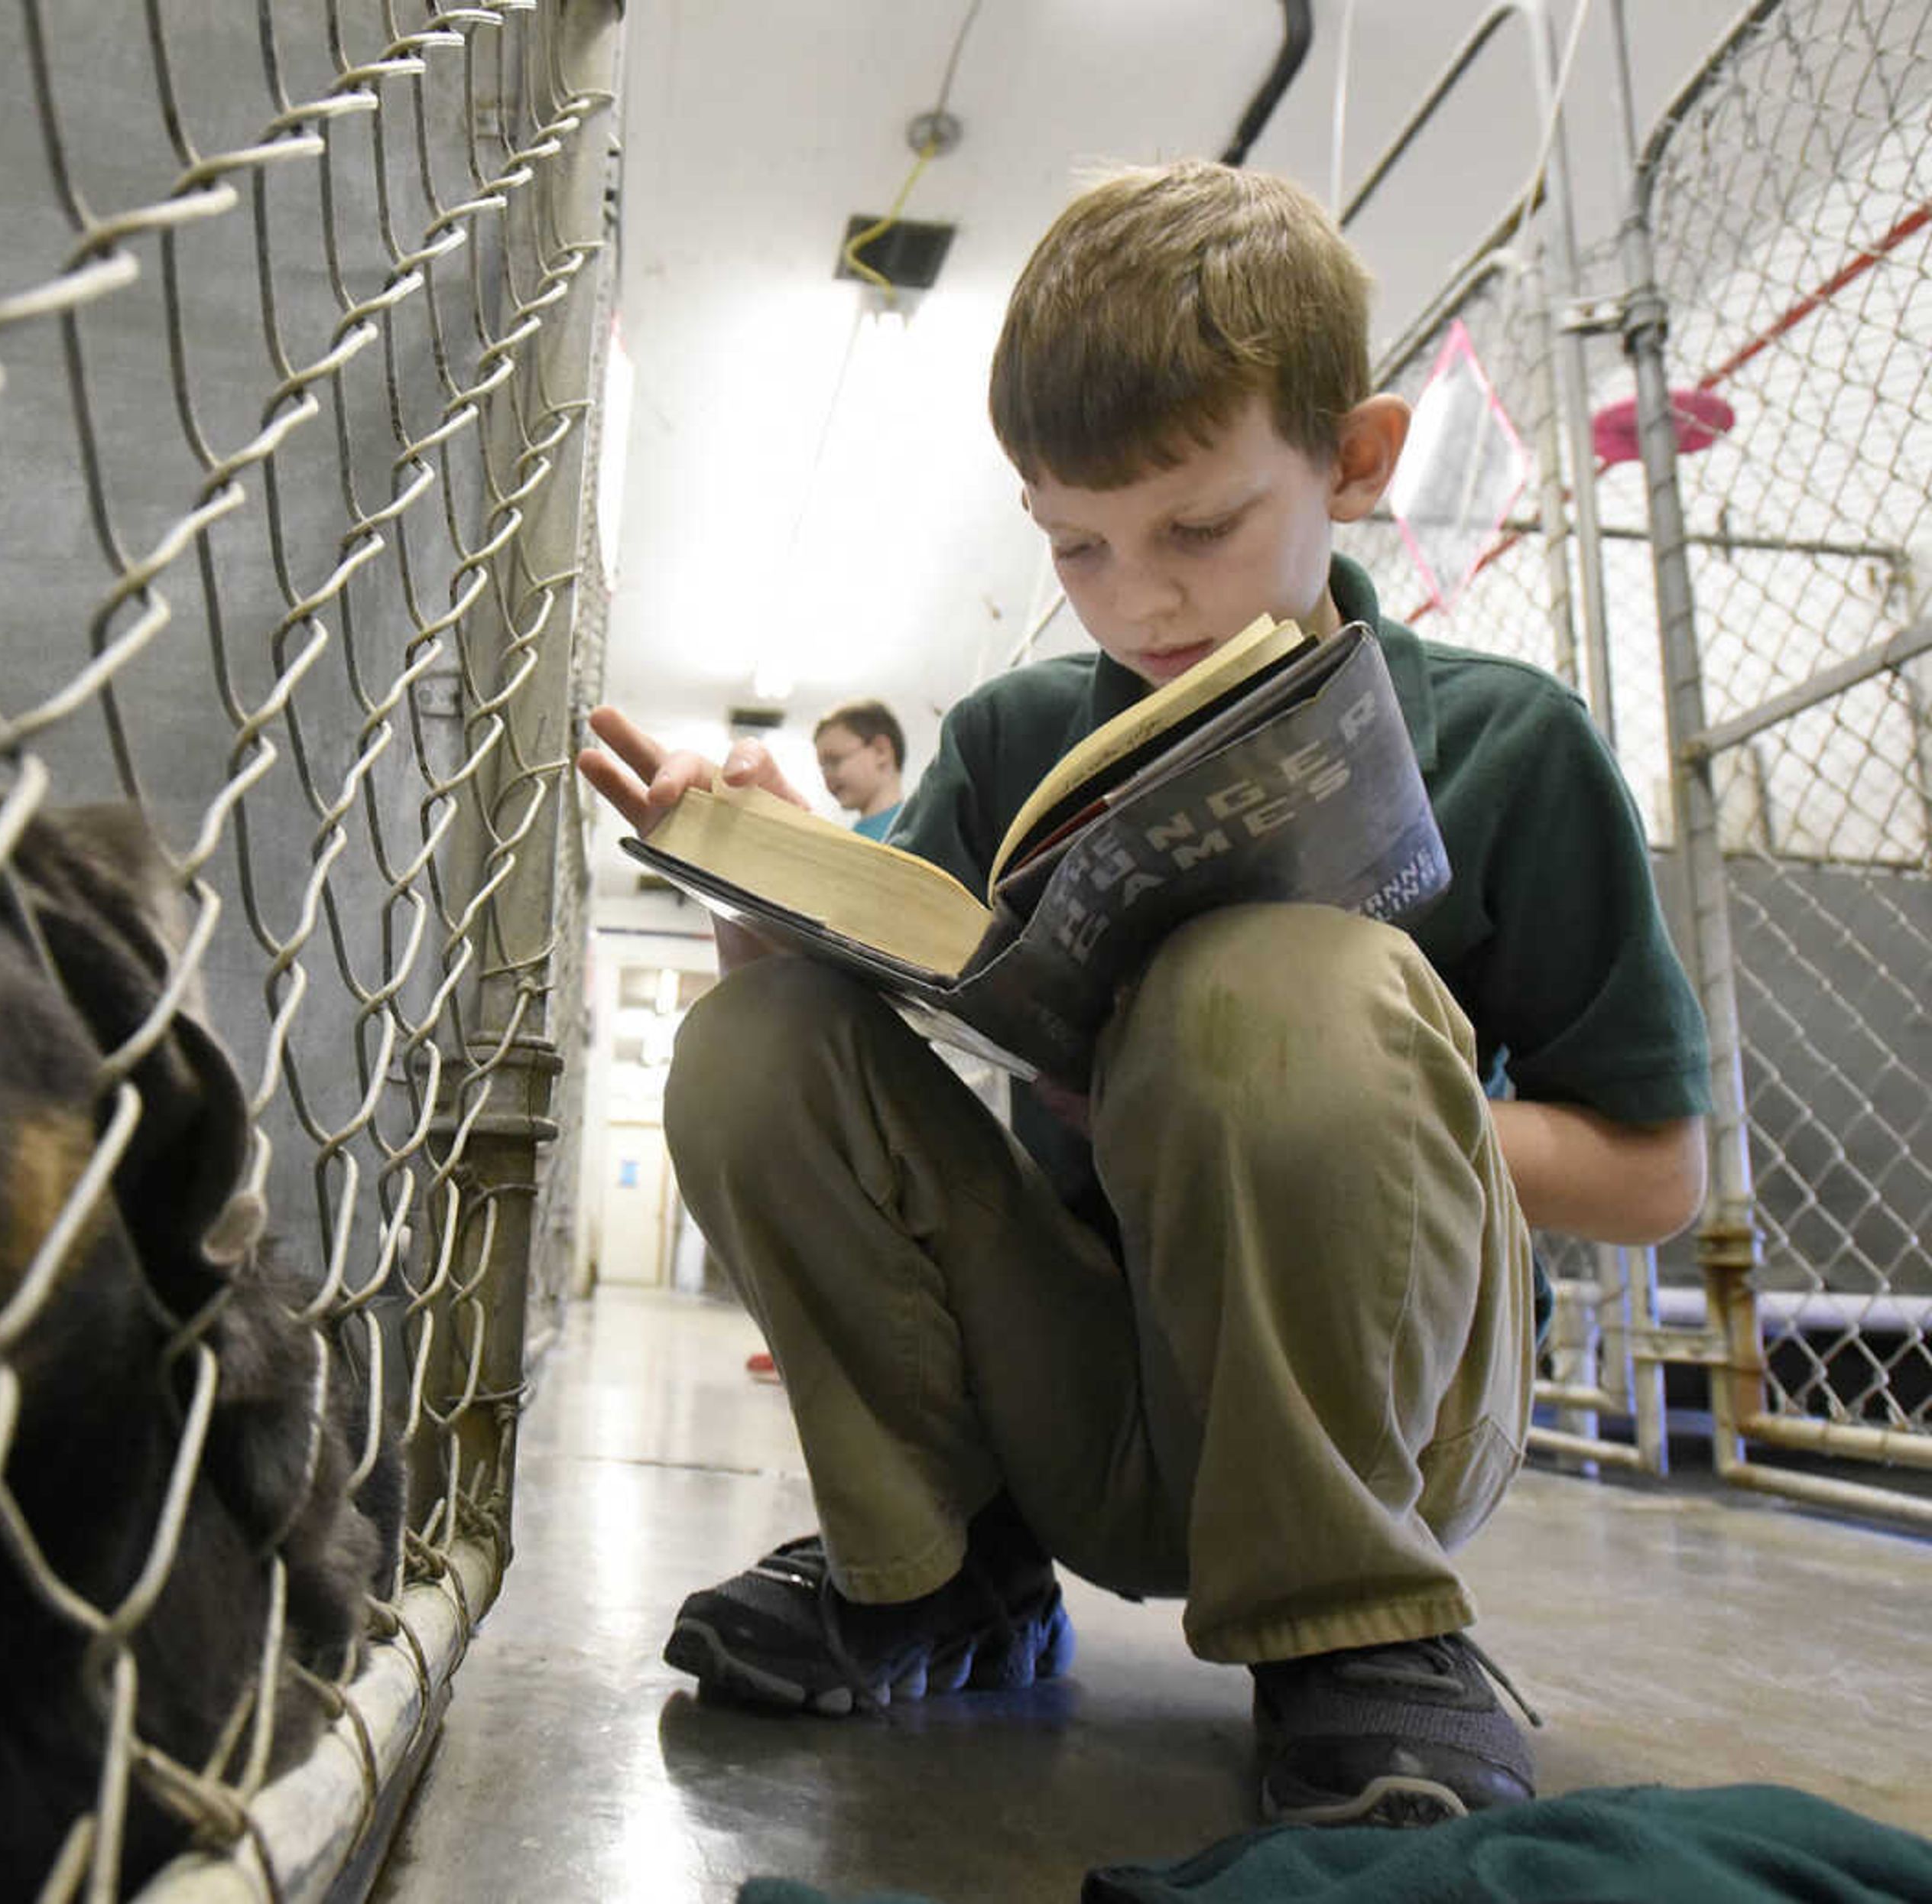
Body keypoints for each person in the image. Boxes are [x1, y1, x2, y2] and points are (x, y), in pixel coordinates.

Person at [574, 161, 1710, 1830]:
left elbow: (1656, 1176)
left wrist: (1363, 1091)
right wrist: (764, 879)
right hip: (1080, 1397)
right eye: (1078, 545)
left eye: (1200, 526)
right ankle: (941, 1565)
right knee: (747, 1043)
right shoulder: (1022, 737)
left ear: (1356, 460)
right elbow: (858, 1035)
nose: (1143, 597)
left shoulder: (1508, 743)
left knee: (1272, 986)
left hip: (1381, 1418)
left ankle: (1357, 1626)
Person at [812, 700, 908, 841]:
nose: (827, 777)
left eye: (834, 760)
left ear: (880, 751)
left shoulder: (918, 834)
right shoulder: (847, 843)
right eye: (823, 767)